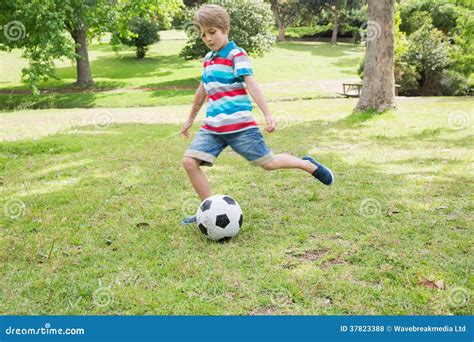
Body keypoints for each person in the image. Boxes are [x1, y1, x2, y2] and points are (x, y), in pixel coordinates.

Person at [180, 4, 334, 224]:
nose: (208, 38)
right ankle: (209, 209)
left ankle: (308, 164)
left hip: (241, 127)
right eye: (203, 34)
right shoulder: (208, 59)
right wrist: (189, 119)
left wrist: (267, 113)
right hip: (212, 128)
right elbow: (201, 91)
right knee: (189, 162)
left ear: (225, 29)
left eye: (212, 32)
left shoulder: (236, 54)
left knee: (269, 164)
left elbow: (251, 84)